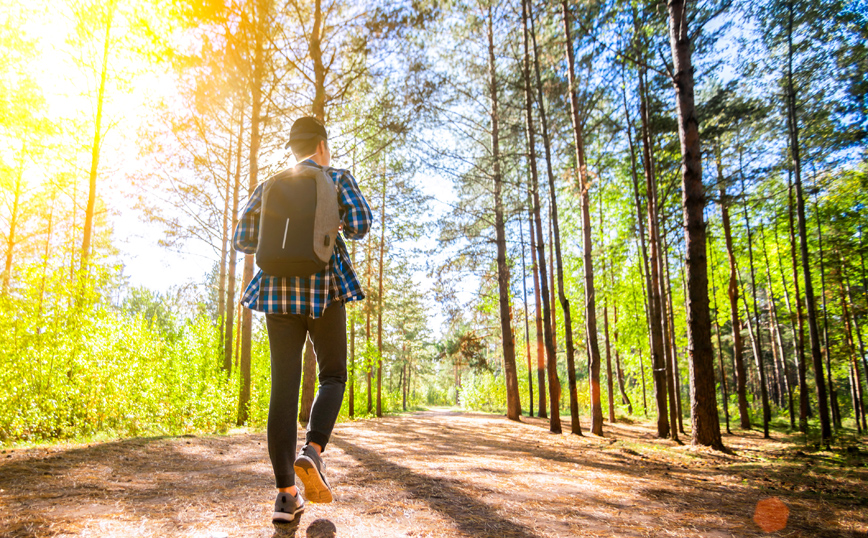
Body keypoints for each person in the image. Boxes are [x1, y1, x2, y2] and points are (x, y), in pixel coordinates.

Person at [232, 116, 372, 524]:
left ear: (294, 149)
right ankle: (312, 452)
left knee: (283, 389)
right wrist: (333, 220)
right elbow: (361, 225)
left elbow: (243, 238)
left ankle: (285, 497)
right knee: (333, 376)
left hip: (276, 293)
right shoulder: (336, 176)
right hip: (325, 289)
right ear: (322, 147)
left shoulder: (270, 184)